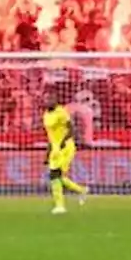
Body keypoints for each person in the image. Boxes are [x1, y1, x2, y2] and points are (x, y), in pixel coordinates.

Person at [42, 87, 88, 215]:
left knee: (55, 175)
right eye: (46, 99)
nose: (48, 101)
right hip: (55, 149)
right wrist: (48, 152)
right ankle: (81, 190)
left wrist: (63, 142)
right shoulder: (46, 114)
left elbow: (72, 129)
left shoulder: (61, 112)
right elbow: (50, 135)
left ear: (56, 100)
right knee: (56, 176)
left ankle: (60, 206)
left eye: (50, 98)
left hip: (65, 147)